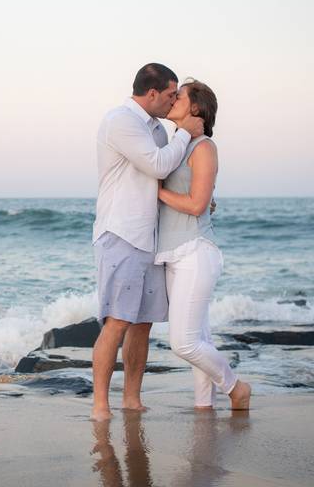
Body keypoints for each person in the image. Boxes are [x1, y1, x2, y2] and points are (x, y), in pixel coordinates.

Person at [90, 63, 204, 422]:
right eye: (171, 95)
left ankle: (132, 399)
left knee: (142, 324)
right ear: (152, 93)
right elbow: (157, 165)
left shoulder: (154, 128)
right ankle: (100, 406)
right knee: (118, 321)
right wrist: (185, 133)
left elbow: (167, 175)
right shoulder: (121, 120)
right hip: (122, 233)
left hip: (150, 237)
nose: (174, 102)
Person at [155, 78, 251, 410]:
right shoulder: (177, 146)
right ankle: (203, 408)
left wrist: (155, 192)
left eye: (178, 96)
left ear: (195, 108)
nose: (172, 100)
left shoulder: (204, 148)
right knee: (199, 338)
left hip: (196, 250)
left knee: (183, 343)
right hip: (171, 253)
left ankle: (236, 387)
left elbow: (197, 204)